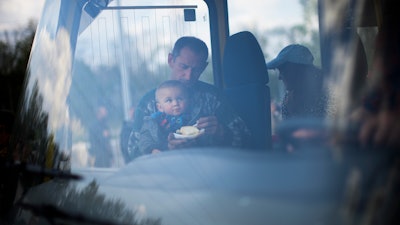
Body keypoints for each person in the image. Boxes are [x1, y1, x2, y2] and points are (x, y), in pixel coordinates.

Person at [127, 36, 249, 160]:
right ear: (171, 60)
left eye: (196, 70)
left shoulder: (213, 98)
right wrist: (165, 149)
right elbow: (133, 150)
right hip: (165, 175)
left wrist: (222, 133)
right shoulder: (149, 102)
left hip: (211, 172)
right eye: (183, 67)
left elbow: (247, 141)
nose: (189, 76)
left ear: (204, 67)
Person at [138, 80, 206, 154]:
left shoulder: (195, 117)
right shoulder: (153, 122)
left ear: (188, 101)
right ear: (160, 107)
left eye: (179, 99)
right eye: (169, 100)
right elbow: (144, 140)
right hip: (165, 159)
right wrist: (152, 150)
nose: (175, 103)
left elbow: (205, 140)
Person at [266, 44, 329, 121]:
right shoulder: (288, 100)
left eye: (283, 71)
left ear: (298, 71)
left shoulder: (328, 94)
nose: (279, 77)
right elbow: (288, 131)